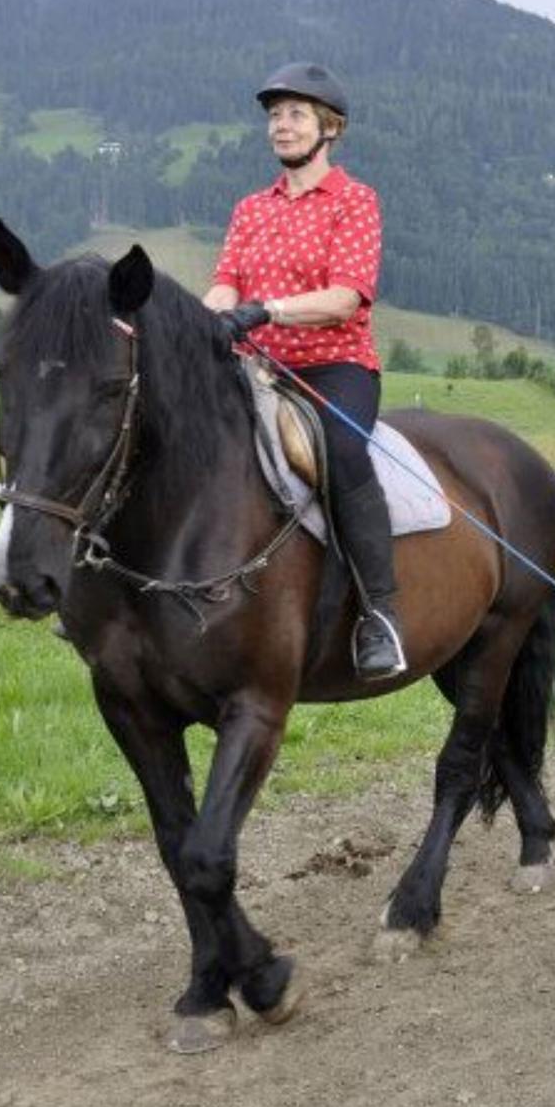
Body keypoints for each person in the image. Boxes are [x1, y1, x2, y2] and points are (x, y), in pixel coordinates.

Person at [203, 62, 406, 678]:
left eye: (294, 114)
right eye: (273, 115)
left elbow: (345, 297)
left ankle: (380, 615)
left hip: (331, 367)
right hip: (252, 367)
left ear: (330, 128)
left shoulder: (354, 201)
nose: (280, 126)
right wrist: (204, 321)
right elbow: (225, 283)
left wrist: (265, 310)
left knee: (344, 453)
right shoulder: (250, 208)